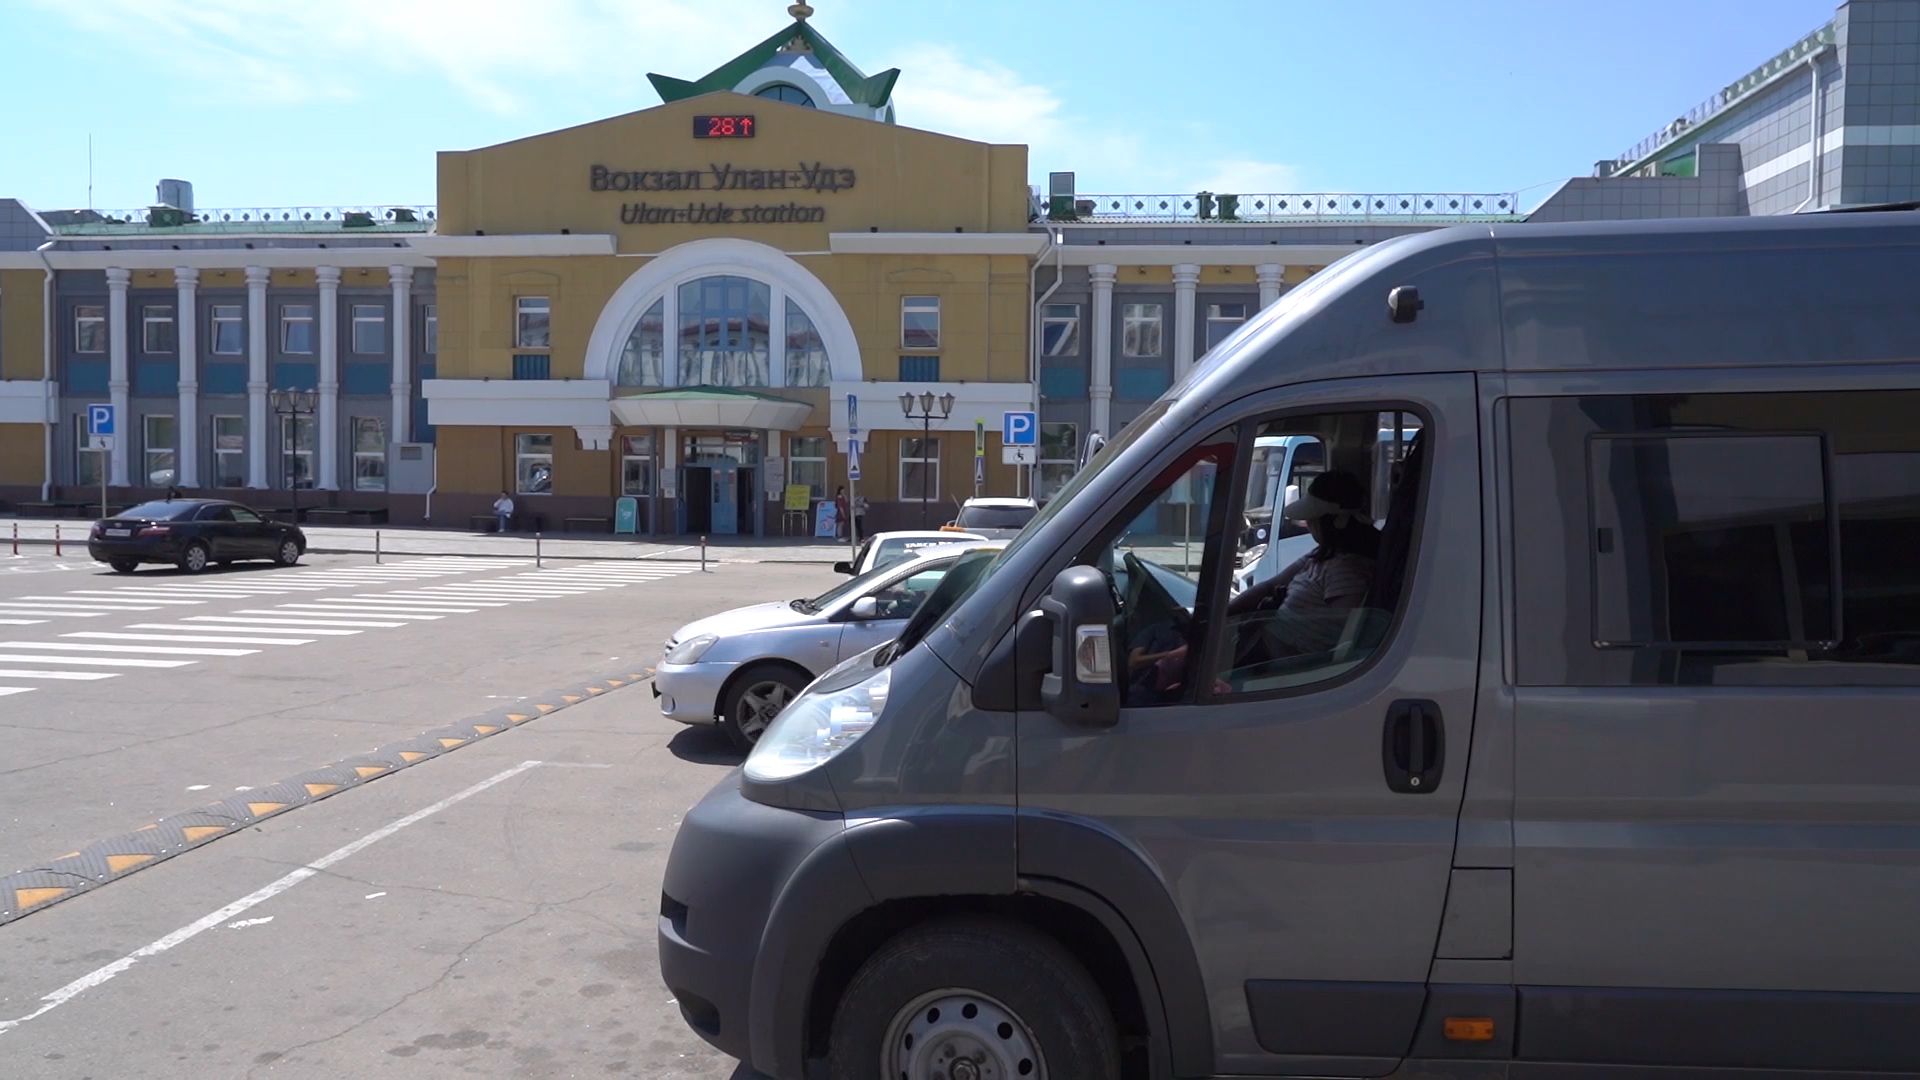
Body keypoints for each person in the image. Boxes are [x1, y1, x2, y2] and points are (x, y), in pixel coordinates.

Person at [1226, 469, 1379, 660]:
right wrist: (1223, 614)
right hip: (1257, 645)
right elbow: (1268, 586)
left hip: (1279, 667)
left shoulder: (1348, 571)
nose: (1307, 522)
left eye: (1312, 518)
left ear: (1331, 522)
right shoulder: (1322, 554)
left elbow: (1337, 640)